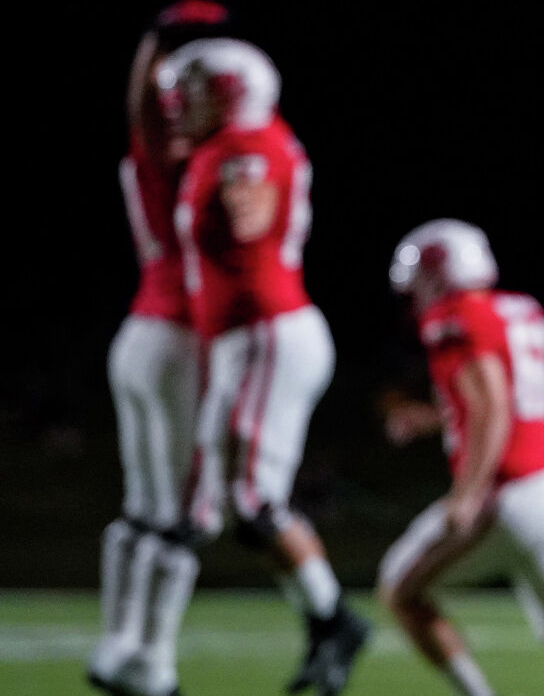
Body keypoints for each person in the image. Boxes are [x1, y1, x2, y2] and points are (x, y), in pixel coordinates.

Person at [155, 36, 370, 696]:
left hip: (268, 333)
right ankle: (322, 617)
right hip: (245, 336)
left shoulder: (244, 147)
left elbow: (252, 214)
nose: (180, 107)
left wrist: (236, 187)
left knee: (250, 500)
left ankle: (335, 620)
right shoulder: (232, 143)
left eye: (193, 94)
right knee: (214, 500)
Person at [376, 219, 544, 696]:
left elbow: (492, 404)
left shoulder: (453, 318)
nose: (414, 301)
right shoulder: (522, 310)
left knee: (400, 590)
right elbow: (506, 402)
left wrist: (467, 495)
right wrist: (432, 419)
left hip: (511, 495)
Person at [88, 0, 231, 696]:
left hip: (138, 333)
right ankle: (154, 660)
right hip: (183, 339)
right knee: (188, 510)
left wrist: (154, 42)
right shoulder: (204, 160)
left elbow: (139, 107)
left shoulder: (152, 156)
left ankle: (116, 646)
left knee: (143, 507)